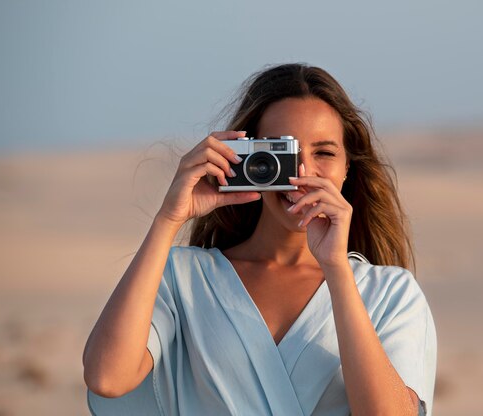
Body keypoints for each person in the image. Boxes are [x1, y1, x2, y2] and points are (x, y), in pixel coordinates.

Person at [83, 63, 437, 416]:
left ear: (348, 167)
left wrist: (337, 270)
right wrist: (168, 219)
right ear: (249, 160)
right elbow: (107, 378)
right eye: (281, 153)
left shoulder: (391, 293)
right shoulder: (182, 277)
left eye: (324, 153)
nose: (301, 173)